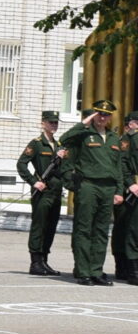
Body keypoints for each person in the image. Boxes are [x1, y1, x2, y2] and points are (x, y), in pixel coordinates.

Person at [59, 99, 121, 286]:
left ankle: (96, 270)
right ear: (94, 115)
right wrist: (85, 122)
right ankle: (83, 271)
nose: (102, 118)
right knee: (84, 228)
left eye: (106, 114)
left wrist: (119, 191)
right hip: (88, 185)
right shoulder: (84, 135)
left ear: (110, 117)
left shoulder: (113, 138)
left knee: (101, 231)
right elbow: (64, 139)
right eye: (99, 114)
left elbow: (117, 166)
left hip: (108, 187)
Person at [16, 111, 66, 277]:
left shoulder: (59, 145)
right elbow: (21, 164)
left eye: (55, 123)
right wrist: (33, 181)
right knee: (39, 226)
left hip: (56, 191)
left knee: (51, 226)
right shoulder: (37, 144)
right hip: (42, 191)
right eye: (50, 123)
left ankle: (44, 260)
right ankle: (35, 262)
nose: (53, 125)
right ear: (43, 123)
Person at [118, 111, 138, 284]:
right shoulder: (128, 139)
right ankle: (132, 271)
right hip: (134, 190)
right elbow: (122, 164)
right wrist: (130, 183)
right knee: (133, 230)